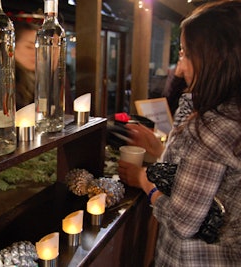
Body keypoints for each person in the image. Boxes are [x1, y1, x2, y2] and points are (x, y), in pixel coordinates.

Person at [118, 1, 241, 266]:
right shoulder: (231, 112)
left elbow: (182, 221)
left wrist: (143, 179)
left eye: (185, 53)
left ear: (215, 57)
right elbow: (210, 179)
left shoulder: (212, 125)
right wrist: (159, 152)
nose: (180, 68)